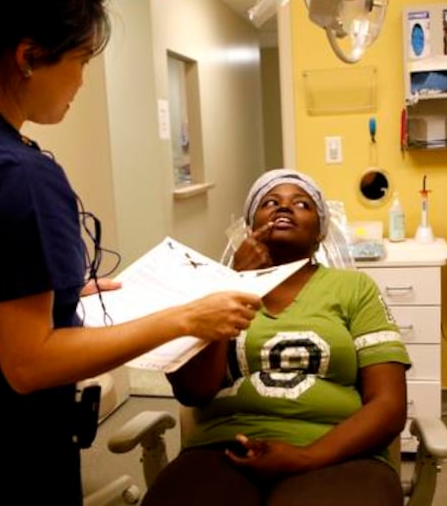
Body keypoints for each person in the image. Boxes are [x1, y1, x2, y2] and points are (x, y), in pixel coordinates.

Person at [0, 0, 262, 505]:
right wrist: (184, 317)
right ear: (29, 57)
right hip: (4, 453)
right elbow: (30, 364)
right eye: (81, 60)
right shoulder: (14, 173)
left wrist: (56, 295)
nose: (83, 80)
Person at [140, 169, 411, 506]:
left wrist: (307, 457)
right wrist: (233, 283)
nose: (284, 208)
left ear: (320, 233)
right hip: (223, 447)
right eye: (270, 202)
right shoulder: (214, 289)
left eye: (302, 204)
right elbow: (194, 391)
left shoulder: (355, 289)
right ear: (250, 227)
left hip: (337, 448)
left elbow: (389, 404)